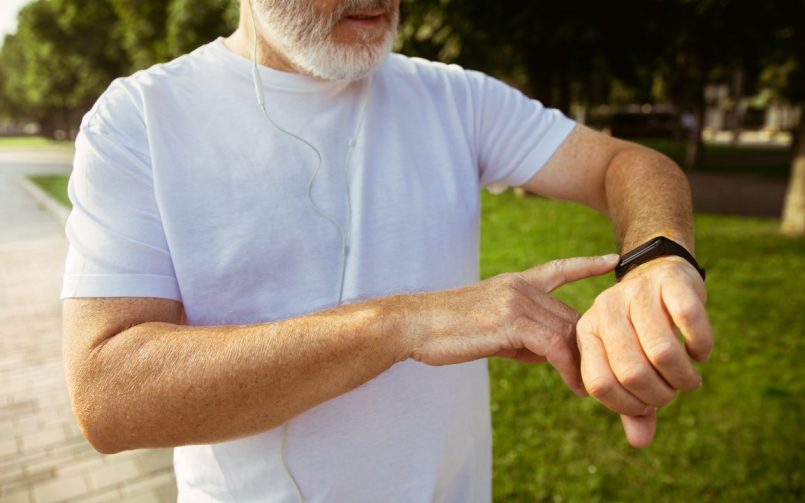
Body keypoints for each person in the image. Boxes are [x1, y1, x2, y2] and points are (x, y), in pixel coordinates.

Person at [61, 0, 712, 501]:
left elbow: (626, 165)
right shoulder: (139, 119)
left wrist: (655, 256)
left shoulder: (454, 97)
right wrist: (406, 321)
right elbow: (108, 396)